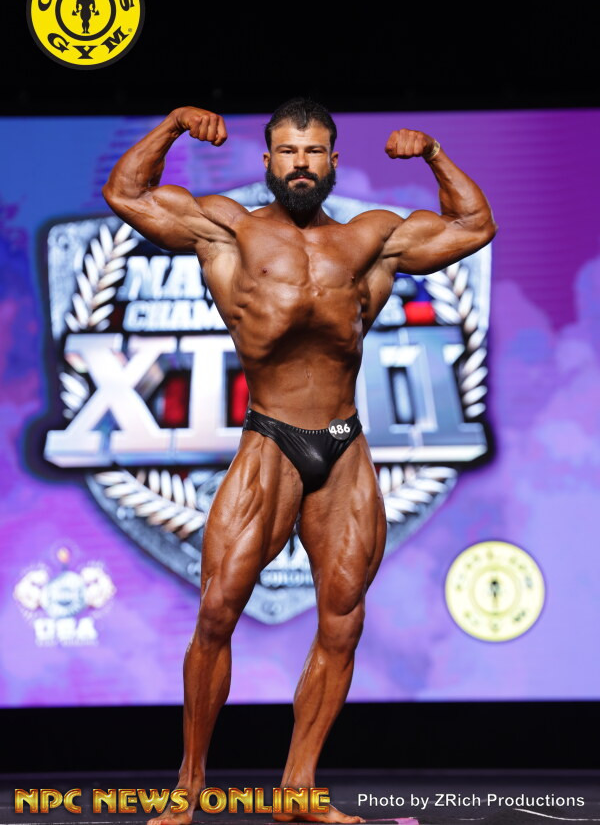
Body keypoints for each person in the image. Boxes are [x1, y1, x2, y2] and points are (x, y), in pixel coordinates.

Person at [102, 98, 497, 824]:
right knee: (217, 611)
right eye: (288, 152)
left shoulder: (371, 240)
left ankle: (298, 790)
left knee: (342, 623)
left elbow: (475, 225)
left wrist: (436, 155)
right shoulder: (229, 230)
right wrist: (173, 125)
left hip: (344, 446)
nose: (301, 165)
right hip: (271, 438)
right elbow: (126, 193)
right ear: (269, 161)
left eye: (313, 152)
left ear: (333, 161)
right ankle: (188, 787)